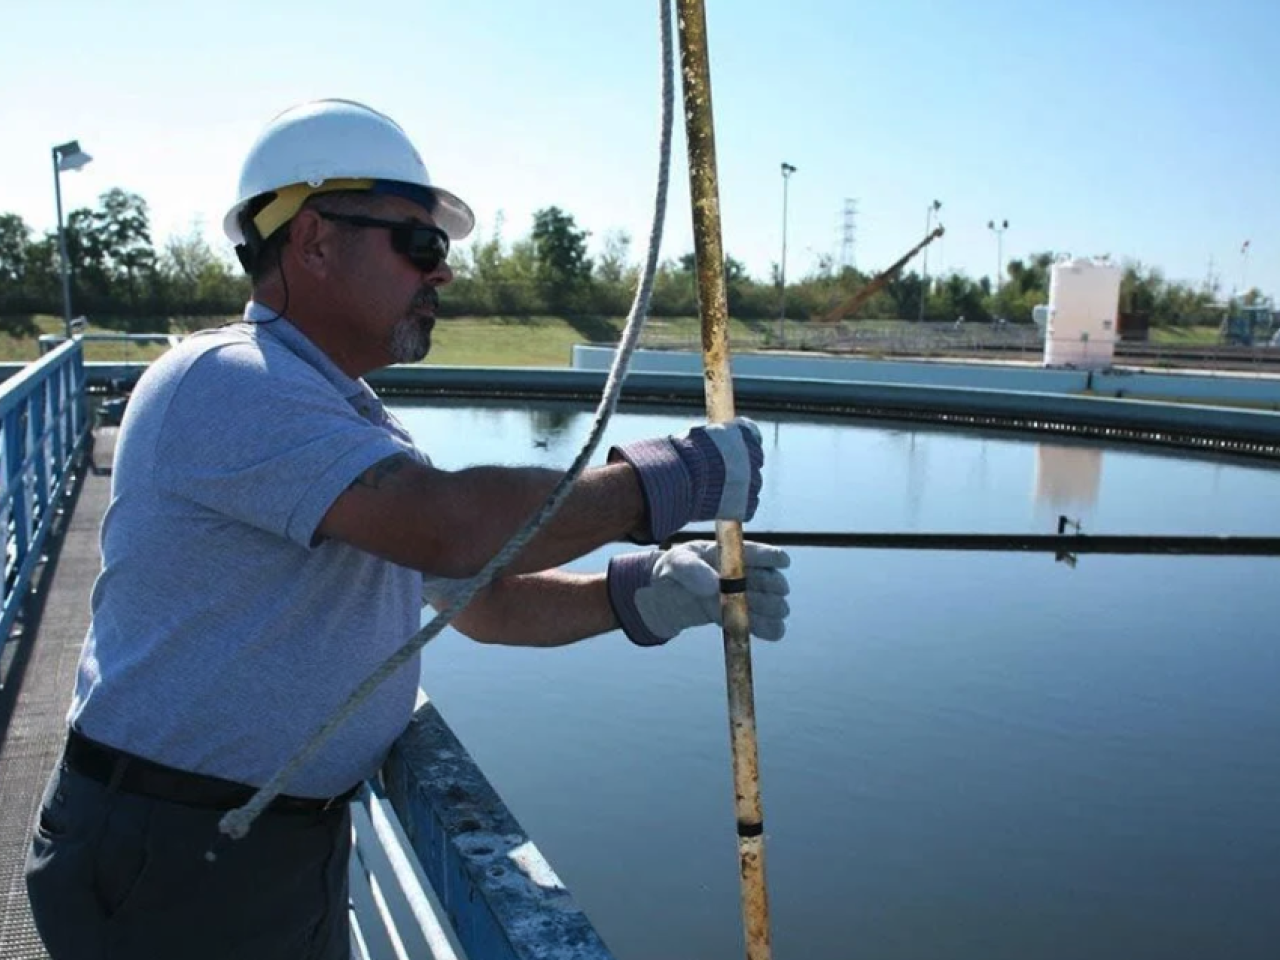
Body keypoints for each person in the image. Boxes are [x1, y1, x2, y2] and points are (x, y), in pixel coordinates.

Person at [25, 98, 791, 959]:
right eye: (420, 244)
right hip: (171, 862)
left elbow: (477, 599)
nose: (443, 275)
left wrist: (642, 596)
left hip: (256, 845)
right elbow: (449, 531)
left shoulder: (345, 416)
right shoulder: (231, 381)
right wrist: (668, 479)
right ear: (312, 239)